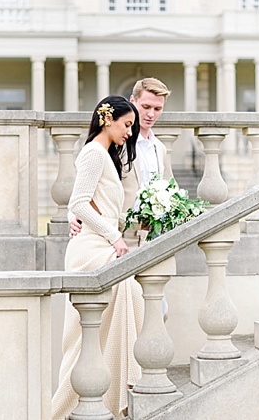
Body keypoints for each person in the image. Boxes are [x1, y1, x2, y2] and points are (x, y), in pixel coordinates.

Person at [51, 95, 145, 420]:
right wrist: (115, 237)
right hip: (92, 250)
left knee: (126, 300)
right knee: (85, 340)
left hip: (98, 243)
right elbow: (77, 203)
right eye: (127, 124)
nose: (130, 133)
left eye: (132, 127)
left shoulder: (105, 156)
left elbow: (91, 204)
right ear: (108, 119)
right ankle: (64, 409)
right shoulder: (93, 152)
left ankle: (109, 399)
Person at [70, 78, 171, 242]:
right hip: (117, 237)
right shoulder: (115, 143)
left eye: (157, 108)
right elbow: (83, 188)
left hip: (151, 238)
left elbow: (169, 190)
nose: (151, 114)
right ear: (132, 101)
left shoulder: (160, 148)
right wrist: (73, 216)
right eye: (145, 107)